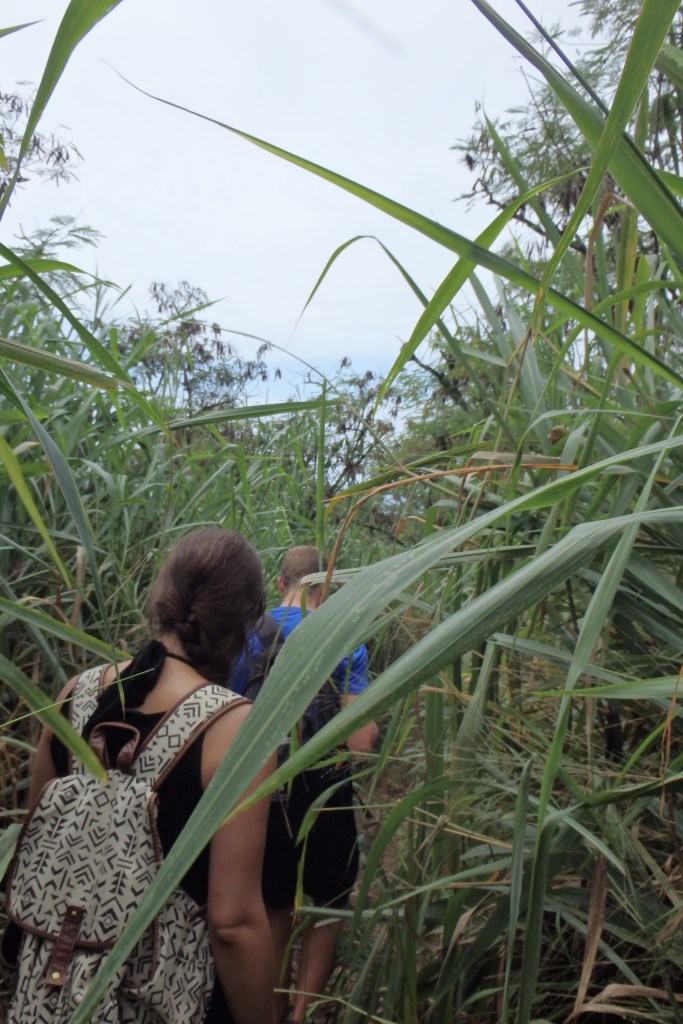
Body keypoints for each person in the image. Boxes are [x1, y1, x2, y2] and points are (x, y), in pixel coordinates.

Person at [22, 527, 276, 1024]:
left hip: (46, 984)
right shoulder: (235, 728)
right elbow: (232, 924)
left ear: (161, 597)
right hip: (160, 998)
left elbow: (37, 836)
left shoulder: (76, 693)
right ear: (243, 623)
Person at [236, 545, 377, 1024]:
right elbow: (359, 742)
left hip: (260, 787)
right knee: (330, 901)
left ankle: (270, 1008)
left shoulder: (248, 636)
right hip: (325, 791)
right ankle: (302, 1012)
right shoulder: (346, 641)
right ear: (327, 585)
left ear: (281, 584)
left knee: (274, 902)